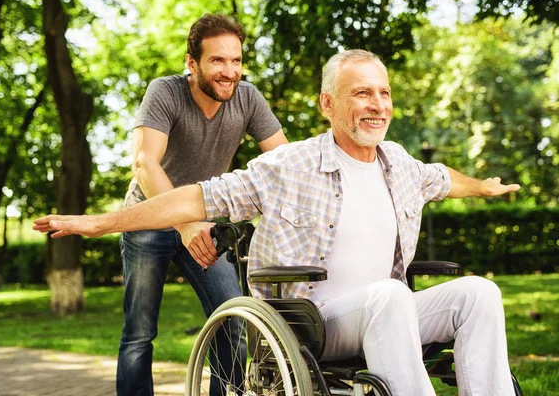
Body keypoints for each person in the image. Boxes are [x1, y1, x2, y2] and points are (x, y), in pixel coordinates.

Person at [34, 49, 520, 395]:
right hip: (316, 321)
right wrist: (99, 223)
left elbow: (442, 178)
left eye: (384, 93)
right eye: (362, 93)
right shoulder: (290, 166)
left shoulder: (399, 163)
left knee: (480, 293)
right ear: (328, 104)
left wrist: (482, 186)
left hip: (389, 312)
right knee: (391, 296)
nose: (377, 105)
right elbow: (195, 199)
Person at [110, 13, 287, 396]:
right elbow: (144, 163)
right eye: (217, 60)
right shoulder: (165, 92)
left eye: (236, 60)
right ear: (192, 63)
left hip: (204, 225)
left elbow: (284, 164)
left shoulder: (248, 99)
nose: (230, 71)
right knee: (139, 333)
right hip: (149, 220)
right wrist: (185, 224)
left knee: (232, 319)